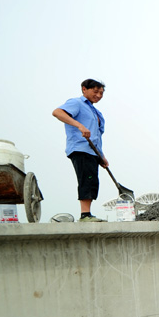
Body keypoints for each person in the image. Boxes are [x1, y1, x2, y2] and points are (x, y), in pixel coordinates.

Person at [51, 78, 108, 222]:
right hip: (81, 148)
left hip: (92, 152)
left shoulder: (96, 112)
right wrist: (79, 126)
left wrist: (101, 156)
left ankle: (88, 213)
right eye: (95, 92)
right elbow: (57, 112)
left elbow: (96, 137)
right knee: (87, 179)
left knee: (93, 181)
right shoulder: (76, 103)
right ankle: (85, 215)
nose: (99, 95)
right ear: (84, 89)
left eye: (101, 93)